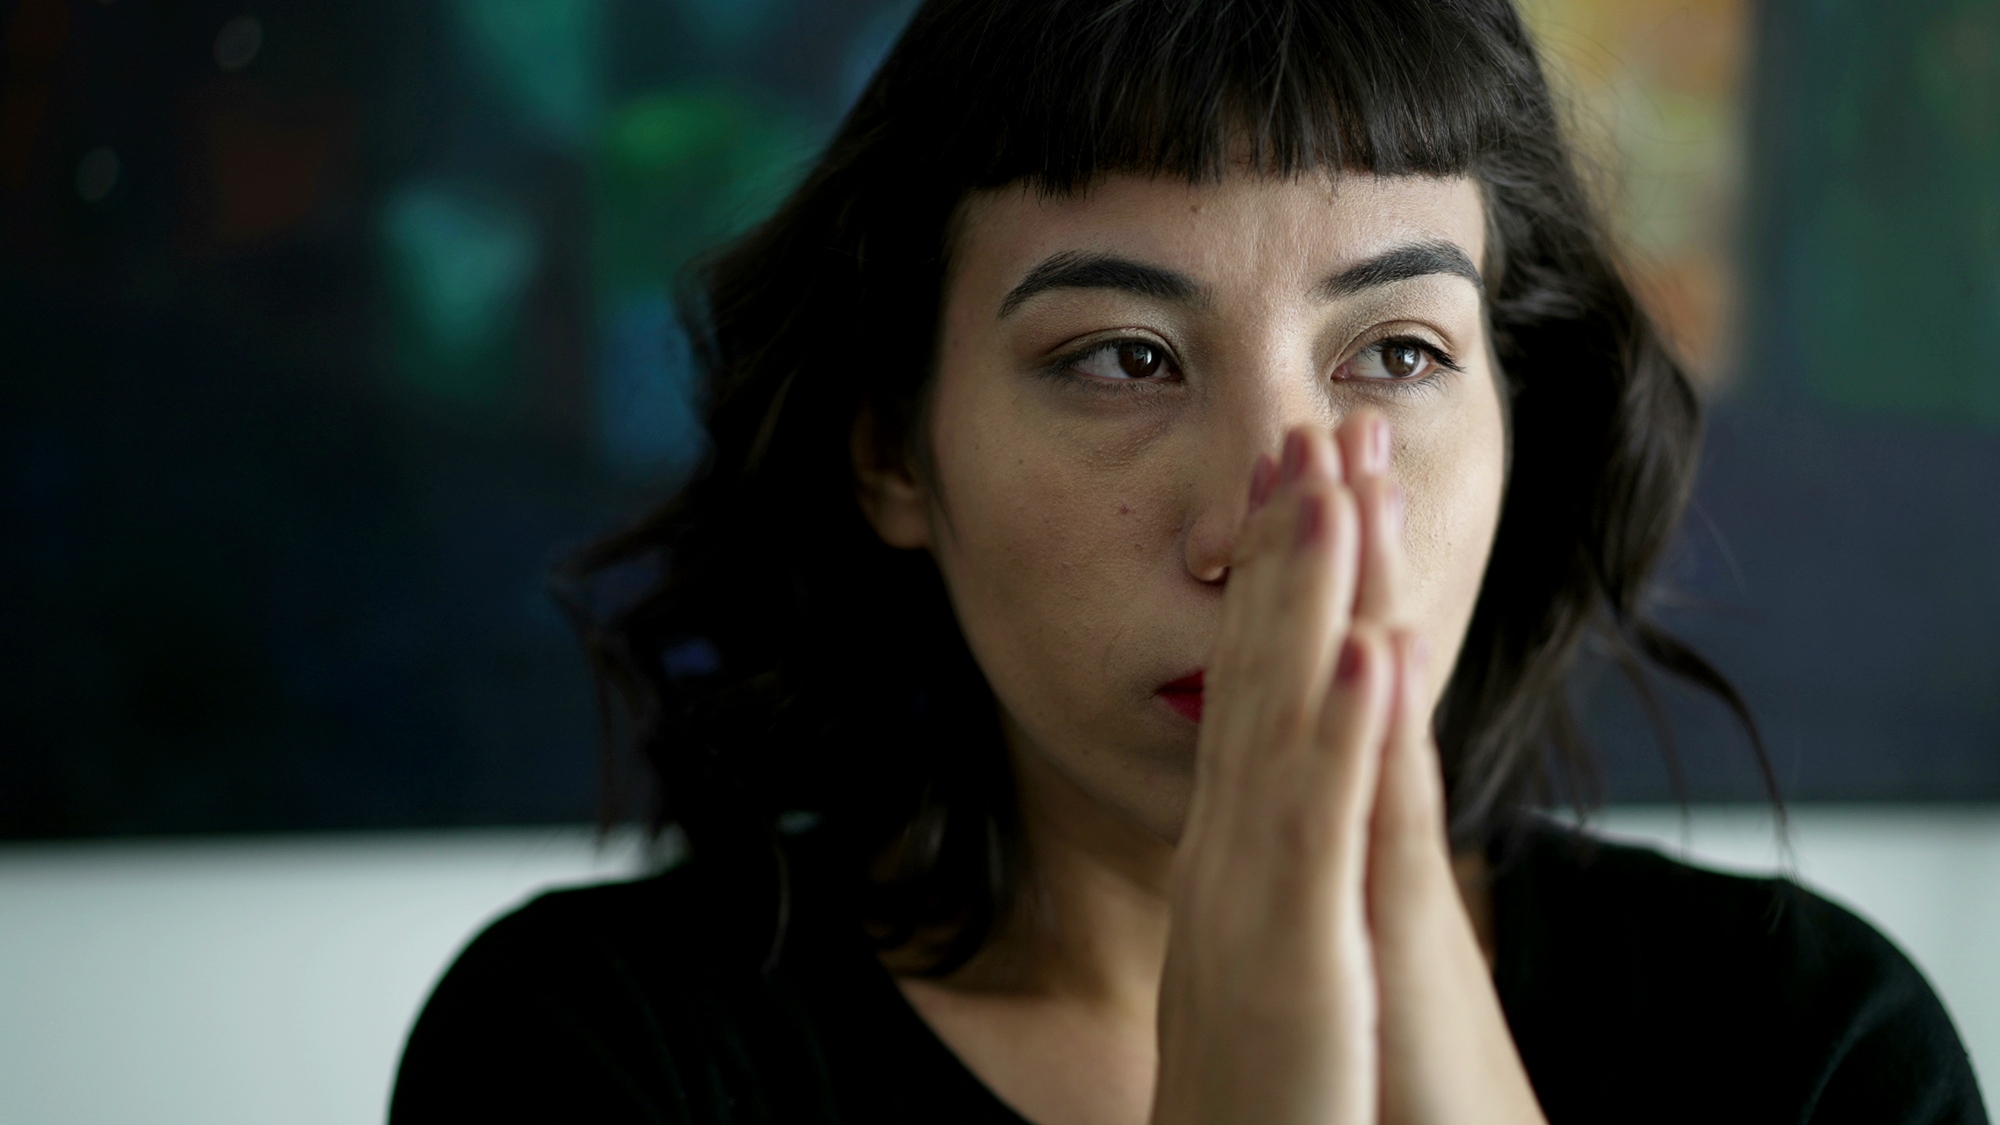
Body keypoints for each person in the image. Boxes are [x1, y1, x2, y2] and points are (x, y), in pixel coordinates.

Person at [390, 1, 1988, 1122]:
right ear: (895, 448)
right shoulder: (597, 1053)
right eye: (1124, 359)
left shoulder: (1804, 1045)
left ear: (1522, 416)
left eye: (1400, 355)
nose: (1266, 525)